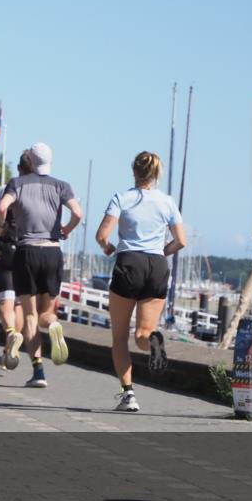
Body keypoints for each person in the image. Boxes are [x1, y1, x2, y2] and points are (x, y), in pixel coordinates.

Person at [95, 151, 186, 412]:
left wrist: (108, 247)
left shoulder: (122, 198)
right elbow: (181, 240)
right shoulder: (167, 202)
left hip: (129, 263)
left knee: (120, 338)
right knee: (142, 334)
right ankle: (153, 340)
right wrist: (161, 253)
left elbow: (101, 235)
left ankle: (128, 395)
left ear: (133, 171)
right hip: (157, 265)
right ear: (156, 174)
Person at [0, 143, 83, 388]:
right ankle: (54, 326)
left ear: (30, 162)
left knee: (30, 314)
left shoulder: (18, 183)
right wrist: (66, 229)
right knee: (47, 313)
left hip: (26, 251)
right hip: (53, 252)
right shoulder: (61, 185)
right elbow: (78, 213)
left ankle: (38, 371)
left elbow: (2, 207)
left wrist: (4, 225)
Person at [0, 151, 30, 371]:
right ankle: (9, 348)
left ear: (19, 168)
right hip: (31, 251)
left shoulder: (5, 189)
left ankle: (11, 335)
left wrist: (0, 224)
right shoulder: (45, 190)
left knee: (6, 301)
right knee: (20, 303)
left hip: (8, 248)